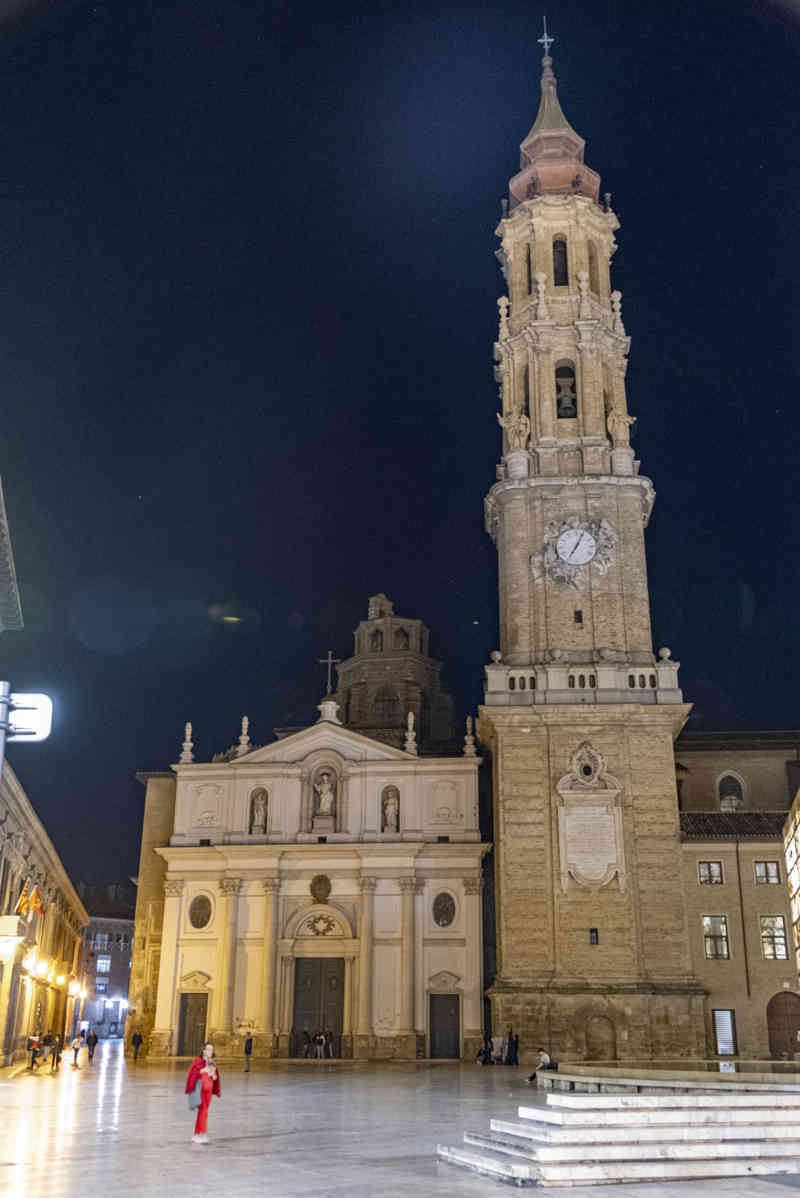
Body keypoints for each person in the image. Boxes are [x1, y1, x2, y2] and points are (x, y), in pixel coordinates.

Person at [186, 1043, 221, 1145]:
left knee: (203, 1111)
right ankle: (202, 1133)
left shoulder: (212, 1063)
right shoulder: (198, 1061)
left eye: (212, 1050)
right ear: (204, 1051)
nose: (211, 1052)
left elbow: (214, 1078)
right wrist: (203, 1070)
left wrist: (214, 1075)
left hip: (208, 1090)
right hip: (201, 1089)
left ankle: (196, 1134)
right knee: (203, 1111)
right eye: (209, 1049)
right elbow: (193, 1073)